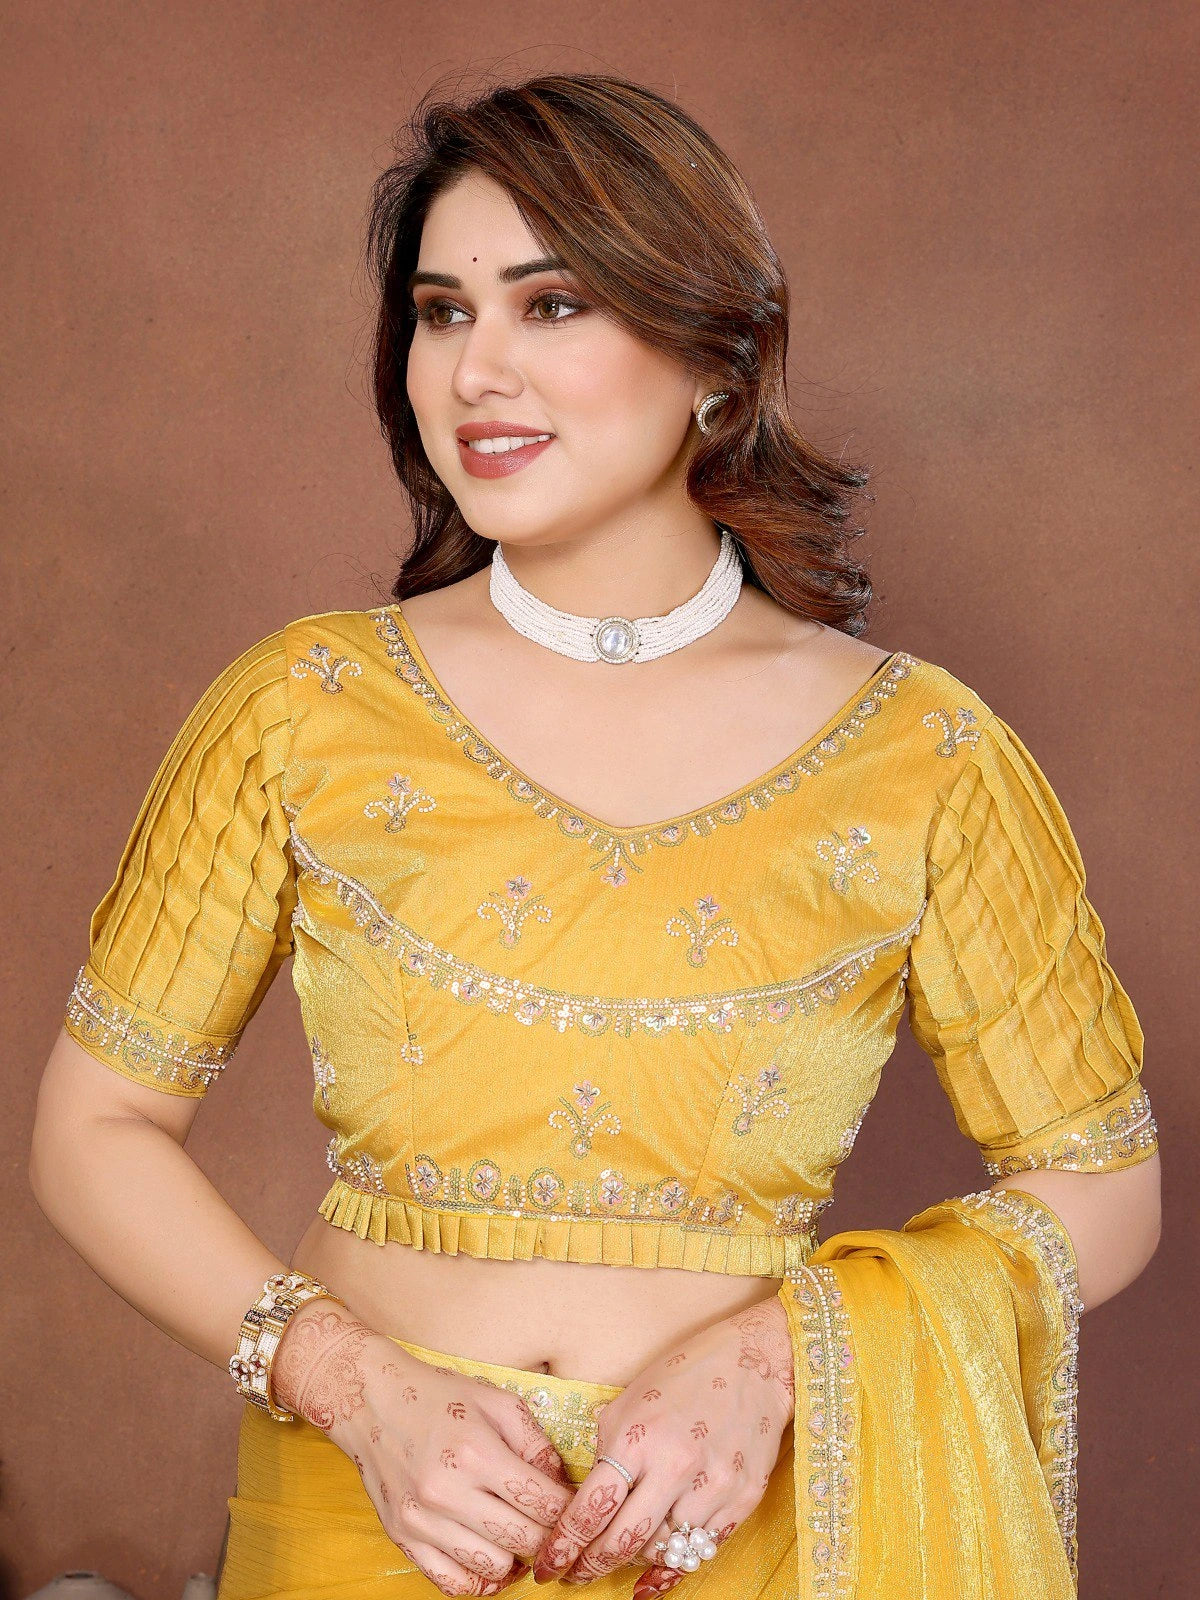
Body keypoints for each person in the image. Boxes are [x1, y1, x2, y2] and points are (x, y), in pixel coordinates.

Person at [30, 73, 1161, 1600]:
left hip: (735, 1531)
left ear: (716, 362)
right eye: (441, 313)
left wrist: (777, 1363)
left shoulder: (922, 755)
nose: (475, 371)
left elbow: (1102, 1180)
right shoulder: (304, 707)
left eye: (550, 305)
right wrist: (351, 1386)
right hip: (372, 1517)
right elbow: (93, 1130)